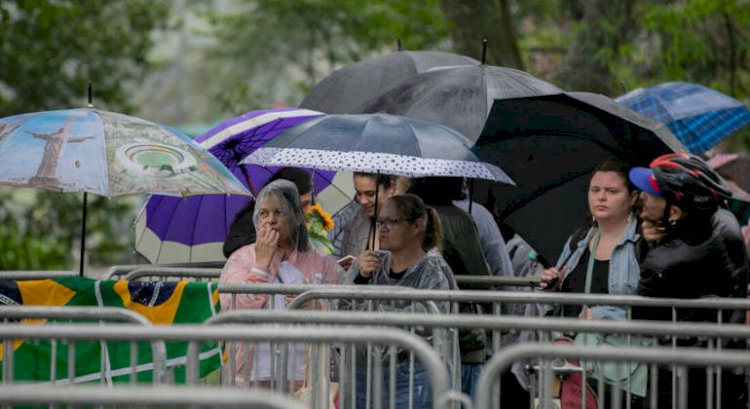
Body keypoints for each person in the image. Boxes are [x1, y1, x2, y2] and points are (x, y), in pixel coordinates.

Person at [629, 153, 748, 408]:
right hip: (721, 370)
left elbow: (640, 318)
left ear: (674, 210)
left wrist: (650, 245)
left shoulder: (663, 261)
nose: (642, 198)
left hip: (684, 380)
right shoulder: (722, 220)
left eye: (651, 193)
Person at [538, 158, 646, 405]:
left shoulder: (642, 242)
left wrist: (604, 316)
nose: (601, 198)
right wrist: (553, 284)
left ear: (632, 198)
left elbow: (652, 306)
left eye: (611, 191)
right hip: (575, 363)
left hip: (620, 367)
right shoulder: (579, 238)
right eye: (595, 190)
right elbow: (560, 300)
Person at [219, 179, 342, 387]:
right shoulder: (242, 259)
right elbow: (237, 309)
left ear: (295, 216)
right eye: (264, 213)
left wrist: (318, 308)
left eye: (279, 212)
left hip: (303, 374)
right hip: (252, 374)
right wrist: (261, 264)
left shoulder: (318, 261)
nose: (271, 220)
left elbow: (342, 311)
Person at [346, 193, 456, 409]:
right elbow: (342, 308)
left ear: (417, 226)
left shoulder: (434, 269)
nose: (383, 228)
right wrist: (360, 277)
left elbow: (426, 319)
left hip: (414, 375)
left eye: (391, 222)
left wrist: (373, 314)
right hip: (367, 372)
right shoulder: (372, 264)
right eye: (380, 222)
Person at [223, 167, 314, 258]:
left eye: (309, 203)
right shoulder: (254, 218)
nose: (308, 210)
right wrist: (272, 237)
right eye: (303, 205)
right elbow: (230, 247)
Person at [328, 172, 397, 265]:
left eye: (370, 194)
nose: (363, 201)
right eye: (358, 193)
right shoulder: (355, 220)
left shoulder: (406, 226)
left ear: (391, 188)